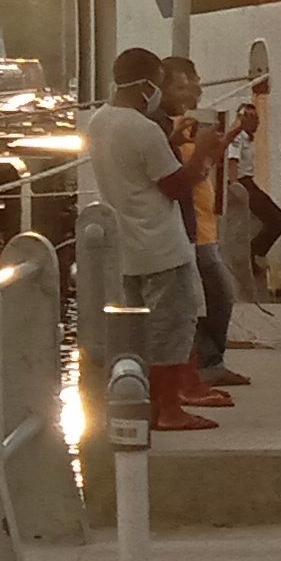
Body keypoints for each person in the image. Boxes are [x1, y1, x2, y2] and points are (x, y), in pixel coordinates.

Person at [75, 48, 213, 428]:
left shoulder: (99, 122)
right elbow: (176, 185)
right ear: (146, 85)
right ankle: (168, 409)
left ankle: (144, 402)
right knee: (172, 326)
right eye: (159, 82)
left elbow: (134, 169)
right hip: (161, 245)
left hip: (126, 245)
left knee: (138, 333)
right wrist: (202, 154)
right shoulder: (143, 128)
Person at [158, 55, 250, 395]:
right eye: (182, 84)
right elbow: (184, 176)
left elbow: (205, 166)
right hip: (188, 228)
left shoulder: (186, 126)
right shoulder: (167, 130)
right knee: (209, 298)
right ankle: (204, 366)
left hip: (204, 225)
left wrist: (231, 135)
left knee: (215, 297)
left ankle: (210, 363)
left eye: (193, 81)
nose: (193, 89)